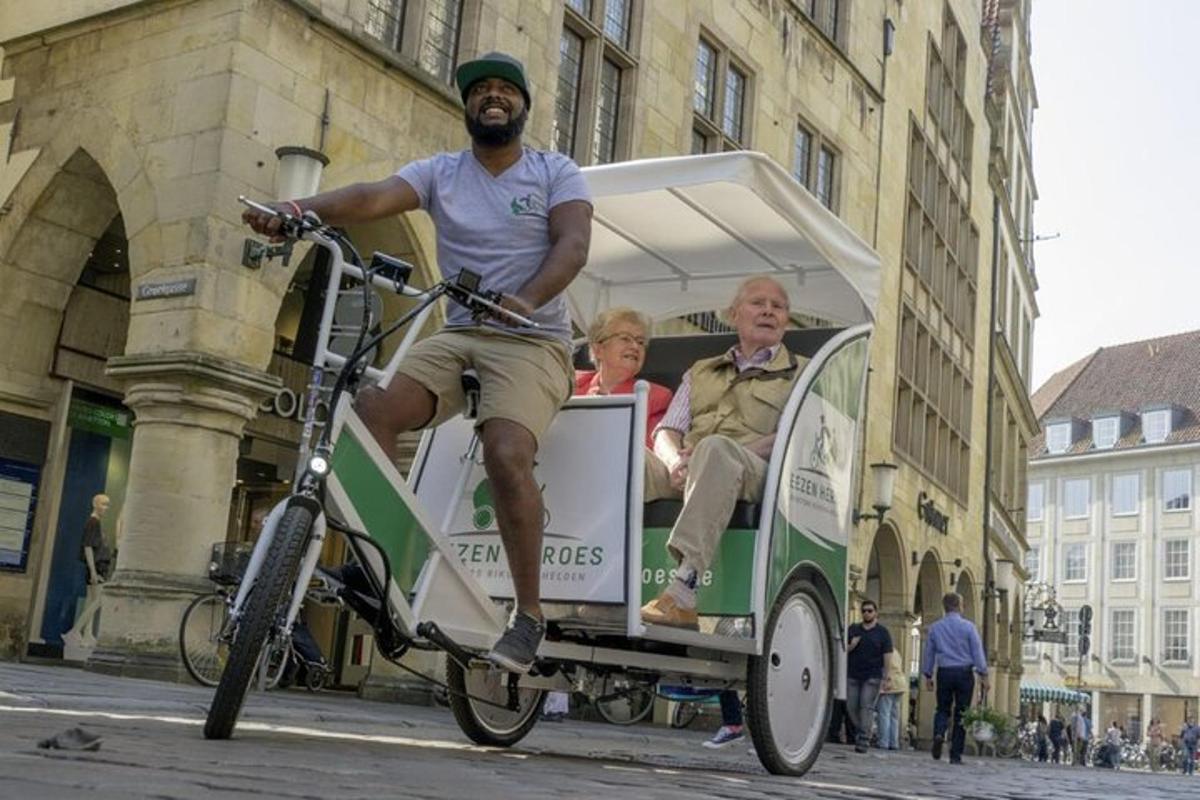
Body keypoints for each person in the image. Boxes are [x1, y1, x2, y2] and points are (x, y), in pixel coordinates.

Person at [243, 52, 593, 674]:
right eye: (479, 90)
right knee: (370, 412)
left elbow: (573, 244)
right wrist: (298, 212)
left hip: (532, 338)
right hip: (459, 331)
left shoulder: (553, 171)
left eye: (504, 90)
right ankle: (393, 567)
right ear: (466, 108)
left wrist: (528, 300)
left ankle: (529, 615)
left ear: (523, 106)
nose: (491, 97)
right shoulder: (441, 173)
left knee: (505, 453)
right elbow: (373, 195)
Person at [639, 276, 804, 628]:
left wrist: (716, 455)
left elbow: (792, 435)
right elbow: (667, 430)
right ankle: (607, 587)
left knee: (716, 450)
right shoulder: (700, 371)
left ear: (786, 321)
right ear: (733, 314)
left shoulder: (801, 373)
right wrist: (672, 462)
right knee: (630, 461)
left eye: (778, 307)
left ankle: (683, 590)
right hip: (689, 467)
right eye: (758, 303)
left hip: (755, 470)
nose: (768, 311)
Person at [574, 307, 673, 447]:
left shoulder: (656, 397)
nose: (635, 346)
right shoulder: (571, 384)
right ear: (598, 350)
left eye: (640, 342)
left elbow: (648, 454)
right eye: (625, 338)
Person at [921, 592, 988, 765]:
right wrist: (983, 674)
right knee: (961, 714)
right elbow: (977, 652)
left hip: (944, 672)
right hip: (964, 674)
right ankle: (955, 755)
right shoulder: (969, 627)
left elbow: (929, 653)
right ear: (959, 606)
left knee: (942, 708)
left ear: (945, 607)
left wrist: (928, 674)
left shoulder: (936, 627)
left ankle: (938, 732)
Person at [61, 494, 114, 653]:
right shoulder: (93, 522)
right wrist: (92, 570)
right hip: (97, 567)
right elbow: (88, 546)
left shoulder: (95, 523)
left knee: (91, 601)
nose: (106, 508)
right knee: (97, 601)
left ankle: (87, 634)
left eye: (107, 505)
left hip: (97, 566)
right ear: (95, 504)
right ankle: (75, 631)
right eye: (103, 504)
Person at [845, 600, 894, 753]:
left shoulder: (882, 633)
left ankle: (863, 739)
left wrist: (886, 677)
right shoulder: (853, 629)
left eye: (870, 610)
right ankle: (863, 730)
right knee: (852, 707)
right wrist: (852, 646)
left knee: (866, 707)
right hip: (853, 674)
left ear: (875, 613)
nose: (866, 613)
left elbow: (888, 655)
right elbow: (842, 649)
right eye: (864, 610)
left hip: (872, 676)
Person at [875, 647, 906, 750]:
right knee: (894, 716)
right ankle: (894, 742)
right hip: (900, 683)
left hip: (890, 683)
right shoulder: (896, 651)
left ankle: (883, 742)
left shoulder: (884, 651)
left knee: (884, 714)